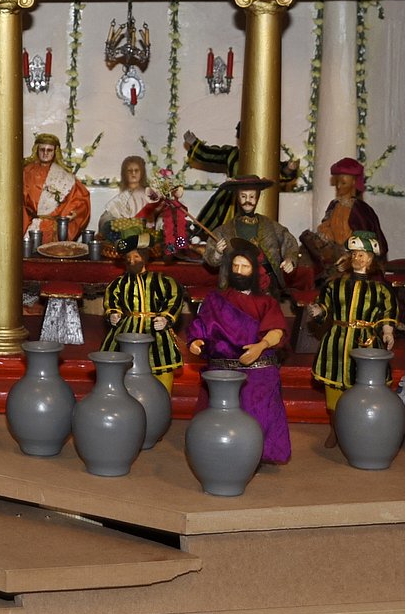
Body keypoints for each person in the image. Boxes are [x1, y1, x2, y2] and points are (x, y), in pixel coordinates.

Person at [186, 242, 291, 464]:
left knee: (258, 406)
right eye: (235, 266)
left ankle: (255, 452)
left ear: (254, 271)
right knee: (217, 411)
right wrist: (196, 340)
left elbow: (277, 330)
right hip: (222, 368)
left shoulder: (266, 302)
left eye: (245, 267)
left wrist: (261, 346)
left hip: (257, 366)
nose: (239, 271)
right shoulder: (216, 300)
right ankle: (216, 450)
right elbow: (201, 324)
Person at [306, 232, 397, 416]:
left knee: (364, 385)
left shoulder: (380, 289)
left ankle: (360, 420)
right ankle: (335, 422)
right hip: (336, 341)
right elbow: (325, 305)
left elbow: (388, 311)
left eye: (361, 254)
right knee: (334, 385)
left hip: (366, 342)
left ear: (370, 259)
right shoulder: (335, 285)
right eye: (354, 254)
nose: (357, 258)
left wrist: (388, 331)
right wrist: (318, 311)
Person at [202, 178, 305, 296]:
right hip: (235, 284)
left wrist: (289, 260)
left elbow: (289, 243)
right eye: (243, 196)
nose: (248, 200)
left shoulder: (270, 226)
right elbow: (210, 259)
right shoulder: (224, 230)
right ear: (237, 197)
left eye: (252, 196)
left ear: (257, 198)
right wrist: (217, 253)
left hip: (266, 285)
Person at [103, 248, 186, 392]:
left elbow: (175, 297)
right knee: (122, 365)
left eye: (136, 256)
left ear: (144, 259)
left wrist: (166, 317)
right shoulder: (119, 283)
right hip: (127, 329)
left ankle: (162, 397)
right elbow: (111, 300)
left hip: (155, 329)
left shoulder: (162, 280)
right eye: (129, 257)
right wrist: (113, 313)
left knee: (162, 363)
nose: (132, 260)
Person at [306, 157, 388, 272]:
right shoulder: (334, 205)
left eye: (343, 183)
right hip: (333, 256)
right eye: (337, 182)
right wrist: (325, 238)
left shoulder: (360, 209)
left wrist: (350, 257)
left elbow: (366, 240)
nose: (339, 186)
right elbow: (325, 226)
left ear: (354, 182)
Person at [22, 133, 91, 245]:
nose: (45, 153)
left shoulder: (64, 175)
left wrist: (74, 213)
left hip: (53, 229)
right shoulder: (26, 172)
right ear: (37, 150)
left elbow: (81, 199)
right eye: (42, 149)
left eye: (49, 150)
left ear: (55, 152)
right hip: (28, 226)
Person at [98, 155, 161, 255]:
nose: (133, 173)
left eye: (136, 170)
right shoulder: (121, 198)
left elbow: (157, 214)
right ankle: (124, 243)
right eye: (129, 171)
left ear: (142, 173)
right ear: (124, 174)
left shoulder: (150, 194)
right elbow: (107, 217)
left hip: (145, 234)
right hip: (124, 234)